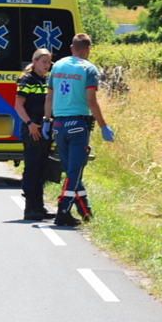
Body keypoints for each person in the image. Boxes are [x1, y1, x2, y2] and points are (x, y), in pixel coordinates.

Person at [44, 33, 115, 227]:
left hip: (58, 125)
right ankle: (62, 211)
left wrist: (46, 121)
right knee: (74, 173)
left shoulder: (56, 66)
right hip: (77, 126)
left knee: (71, 171)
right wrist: (103, 126)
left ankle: (86, 212)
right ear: (87, 50)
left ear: (71, 47)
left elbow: (49, 98)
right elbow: (91, 100)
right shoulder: (89, 69)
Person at [14, 48, 54, 221]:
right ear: (35, 61)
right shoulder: (27, 79)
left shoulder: (45, 80)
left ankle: (39, 206)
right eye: (44, 62)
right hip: (32, 128)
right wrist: (30, 124)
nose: (47, 65)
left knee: (42, 167)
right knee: (32, 166)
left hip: (44, 127)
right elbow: (19, 106)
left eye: (48, 62)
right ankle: (30, 208)